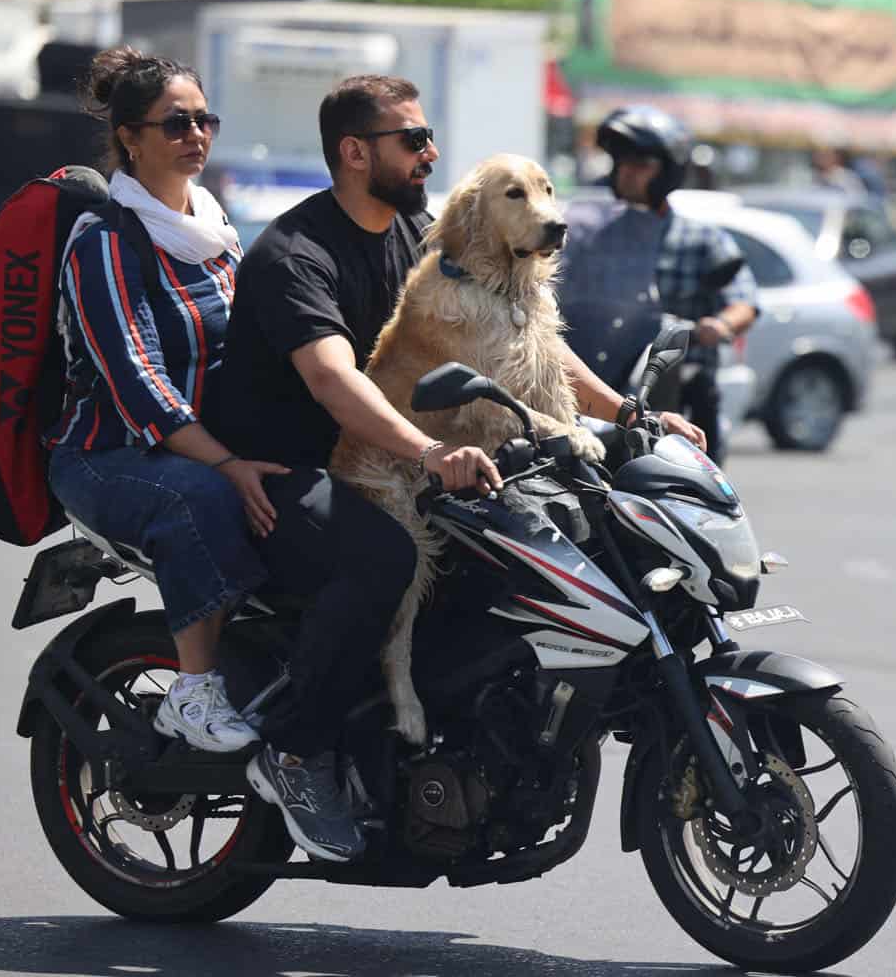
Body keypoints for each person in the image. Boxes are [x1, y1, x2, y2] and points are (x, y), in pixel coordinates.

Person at [209, 77, 707, 863]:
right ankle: (296, 752)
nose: (429, 153)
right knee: (385, 558)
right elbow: (337, 382)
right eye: (412, 140)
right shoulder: (293, 253)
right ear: (354, 151)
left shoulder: (419, 232)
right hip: (293, 468)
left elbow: (529, 335)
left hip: (411, 452)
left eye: (427, 137)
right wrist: (430, 452)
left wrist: (629, 416)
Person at [45, 48, 286, 755]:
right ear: (130, 137)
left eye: (203, 119)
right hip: (109, 453)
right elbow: (139, 385)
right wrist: (233, 465)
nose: (195, 135)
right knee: (202, 498)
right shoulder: (109, 244)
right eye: (175, 123)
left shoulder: (214, 229)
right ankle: (195, 691)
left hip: (207, 440)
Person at [561, 105, 757, 465]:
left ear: (668, 172)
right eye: (622, 163)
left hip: (675, 386)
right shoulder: (593, 234)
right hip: (609, 379)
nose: (628, 173)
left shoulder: (700, 238)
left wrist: (720, 325)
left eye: (641, 164)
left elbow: (744, 301)